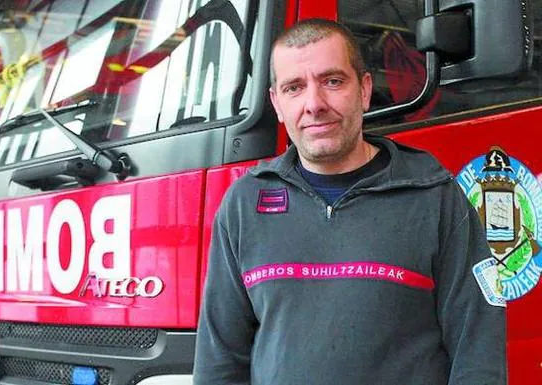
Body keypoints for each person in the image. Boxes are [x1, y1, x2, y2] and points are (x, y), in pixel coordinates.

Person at [193, 18, 506, 385]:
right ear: (277, 104)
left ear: (365, 89)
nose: (314, 104)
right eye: (295, 87)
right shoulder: (244, 204)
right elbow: (219, 362)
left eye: (332, 81)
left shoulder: (434, 197)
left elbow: (479, 353)